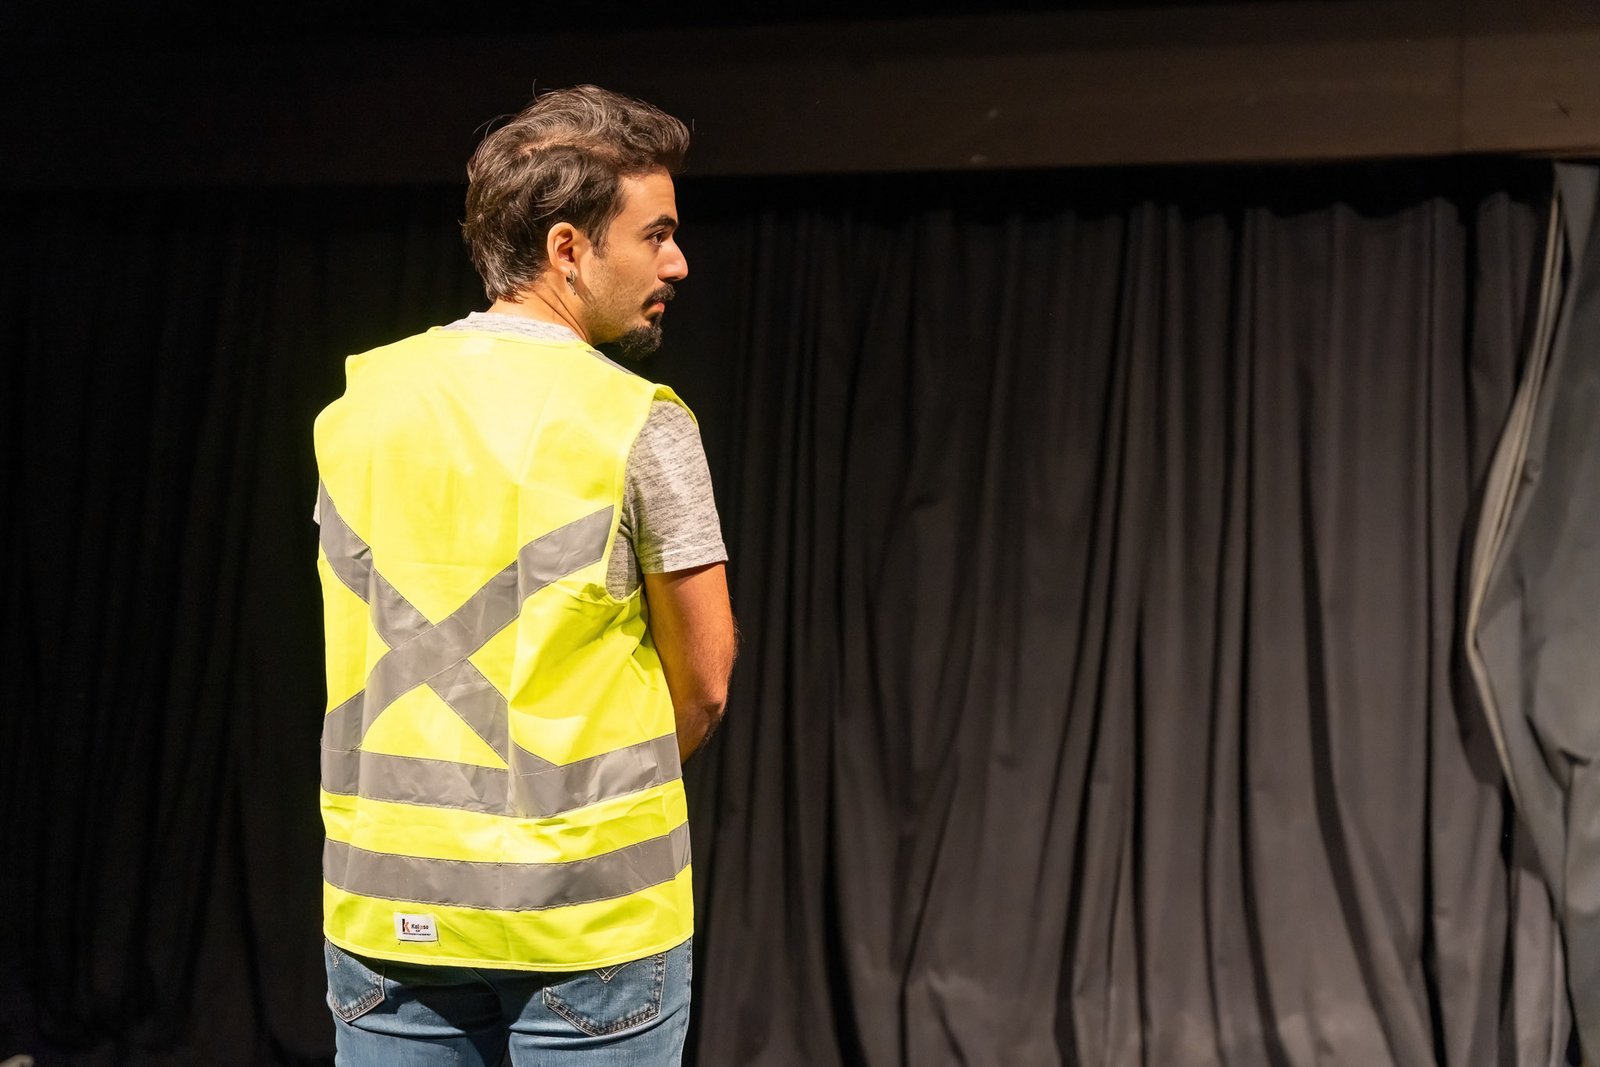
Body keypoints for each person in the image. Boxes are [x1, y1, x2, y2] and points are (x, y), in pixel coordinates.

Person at [311, 84, 736, 1065]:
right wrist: (579, 814)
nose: (677, 261)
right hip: (588, 926)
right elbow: (705, 680)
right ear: (567, 248)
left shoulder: (359, 405)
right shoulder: (640, 421)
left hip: (389, 913)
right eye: (657, 234)